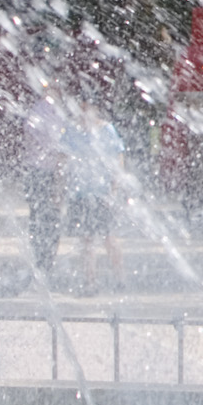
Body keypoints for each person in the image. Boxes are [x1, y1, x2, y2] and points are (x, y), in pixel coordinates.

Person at [63, 94, 126, 296]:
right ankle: (90, 282)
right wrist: (62, 188)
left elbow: (118, 159)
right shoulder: (72, 131)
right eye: (79, 108)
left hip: (102, 192)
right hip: (80, 193)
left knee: (109, 237)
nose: (82, 113)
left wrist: (114, 188)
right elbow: (63, 160)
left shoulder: (106, 130)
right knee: (87, 239)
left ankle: (120, 279)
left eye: (85, 108)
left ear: (94, 109)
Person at [20, 81, 68, 280]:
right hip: (47, 173)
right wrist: (59, 184)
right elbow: (59, 151)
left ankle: (40, 262)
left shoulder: (36, 111)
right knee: (50, 221)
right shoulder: (52, 114)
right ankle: (45, 264)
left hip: (35, 172)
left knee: (38, 219)